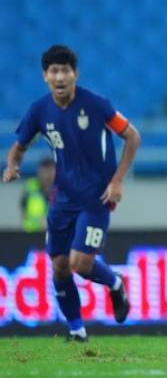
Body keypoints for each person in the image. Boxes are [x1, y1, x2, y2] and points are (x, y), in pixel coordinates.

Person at [2, 45, 141, 341]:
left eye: (65, 71)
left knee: (80, 263)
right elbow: (19, 146)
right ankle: (77, 332)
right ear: (45, 76)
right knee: (60, 266)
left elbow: (132, 136)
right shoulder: (39, 111)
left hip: (96, 198)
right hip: (62, 199)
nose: (60, 77)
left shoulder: (97, 105)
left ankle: (115, 283)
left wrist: (117, 181)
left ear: (75, 74)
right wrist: (12, 165)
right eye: (54, 71)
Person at [20, 156, 55, 232]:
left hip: (54, 234)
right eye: (45, 172)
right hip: (32, 233)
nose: (47, 176)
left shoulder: (62, 191)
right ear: (39, 172)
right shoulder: (30, 187)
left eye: (50, 172)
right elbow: (23, 208)